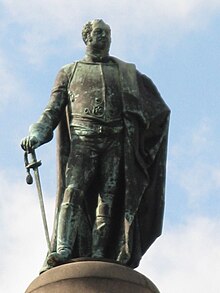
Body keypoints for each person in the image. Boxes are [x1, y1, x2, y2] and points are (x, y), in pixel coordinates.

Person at [21, 19, 170, 271]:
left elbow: (157, 109)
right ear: (87, 37)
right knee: (73, 192)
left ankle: (101, 253)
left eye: (108, 33)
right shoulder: (69, 72)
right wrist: (36, 132)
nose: (105, 38)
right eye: (100, 33)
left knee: (108, 198)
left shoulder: (125, 73)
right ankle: (63, 249)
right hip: (83, 139)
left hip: (115, 141)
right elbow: (52, 111)